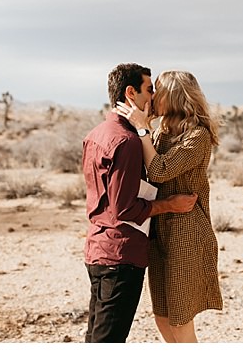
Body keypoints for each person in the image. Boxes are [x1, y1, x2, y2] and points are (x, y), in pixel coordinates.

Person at [82, 63, 198, 343]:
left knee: (96, 337)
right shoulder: (128, 141)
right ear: (130, 92)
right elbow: (125, 209)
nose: (154, 97)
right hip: (121, 255)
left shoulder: (96, 134)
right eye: (149, 89)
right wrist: (170, 204)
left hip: (97, 248)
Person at [115, 70, 223, 343]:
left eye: (157, 91)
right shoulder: (161, 132)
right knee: (162, 318)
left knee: (180, 319)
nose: (152, 96)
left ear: (172, 96)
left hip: (186, 233)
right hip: (160, 229)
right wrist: (146, 126)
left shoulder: (197, 135)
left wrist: (142, 129)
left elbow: (160, 171)